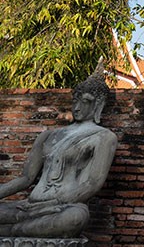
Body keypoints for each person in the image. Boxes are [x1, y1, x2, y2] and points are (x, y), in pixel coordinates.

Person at [0, 69, 117, 238]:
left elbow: (92, 183)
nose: (77, 107)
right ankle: (24, 229)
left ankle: (13, 231)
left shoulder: (104, 137)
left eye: (85, 101)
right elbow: (26, 178)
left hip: (62, 207)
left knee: (75, 218)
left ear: (98, 104)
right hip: (29, 206)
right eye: (75, 100)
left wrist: (55, 202)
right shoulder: (49, 135)